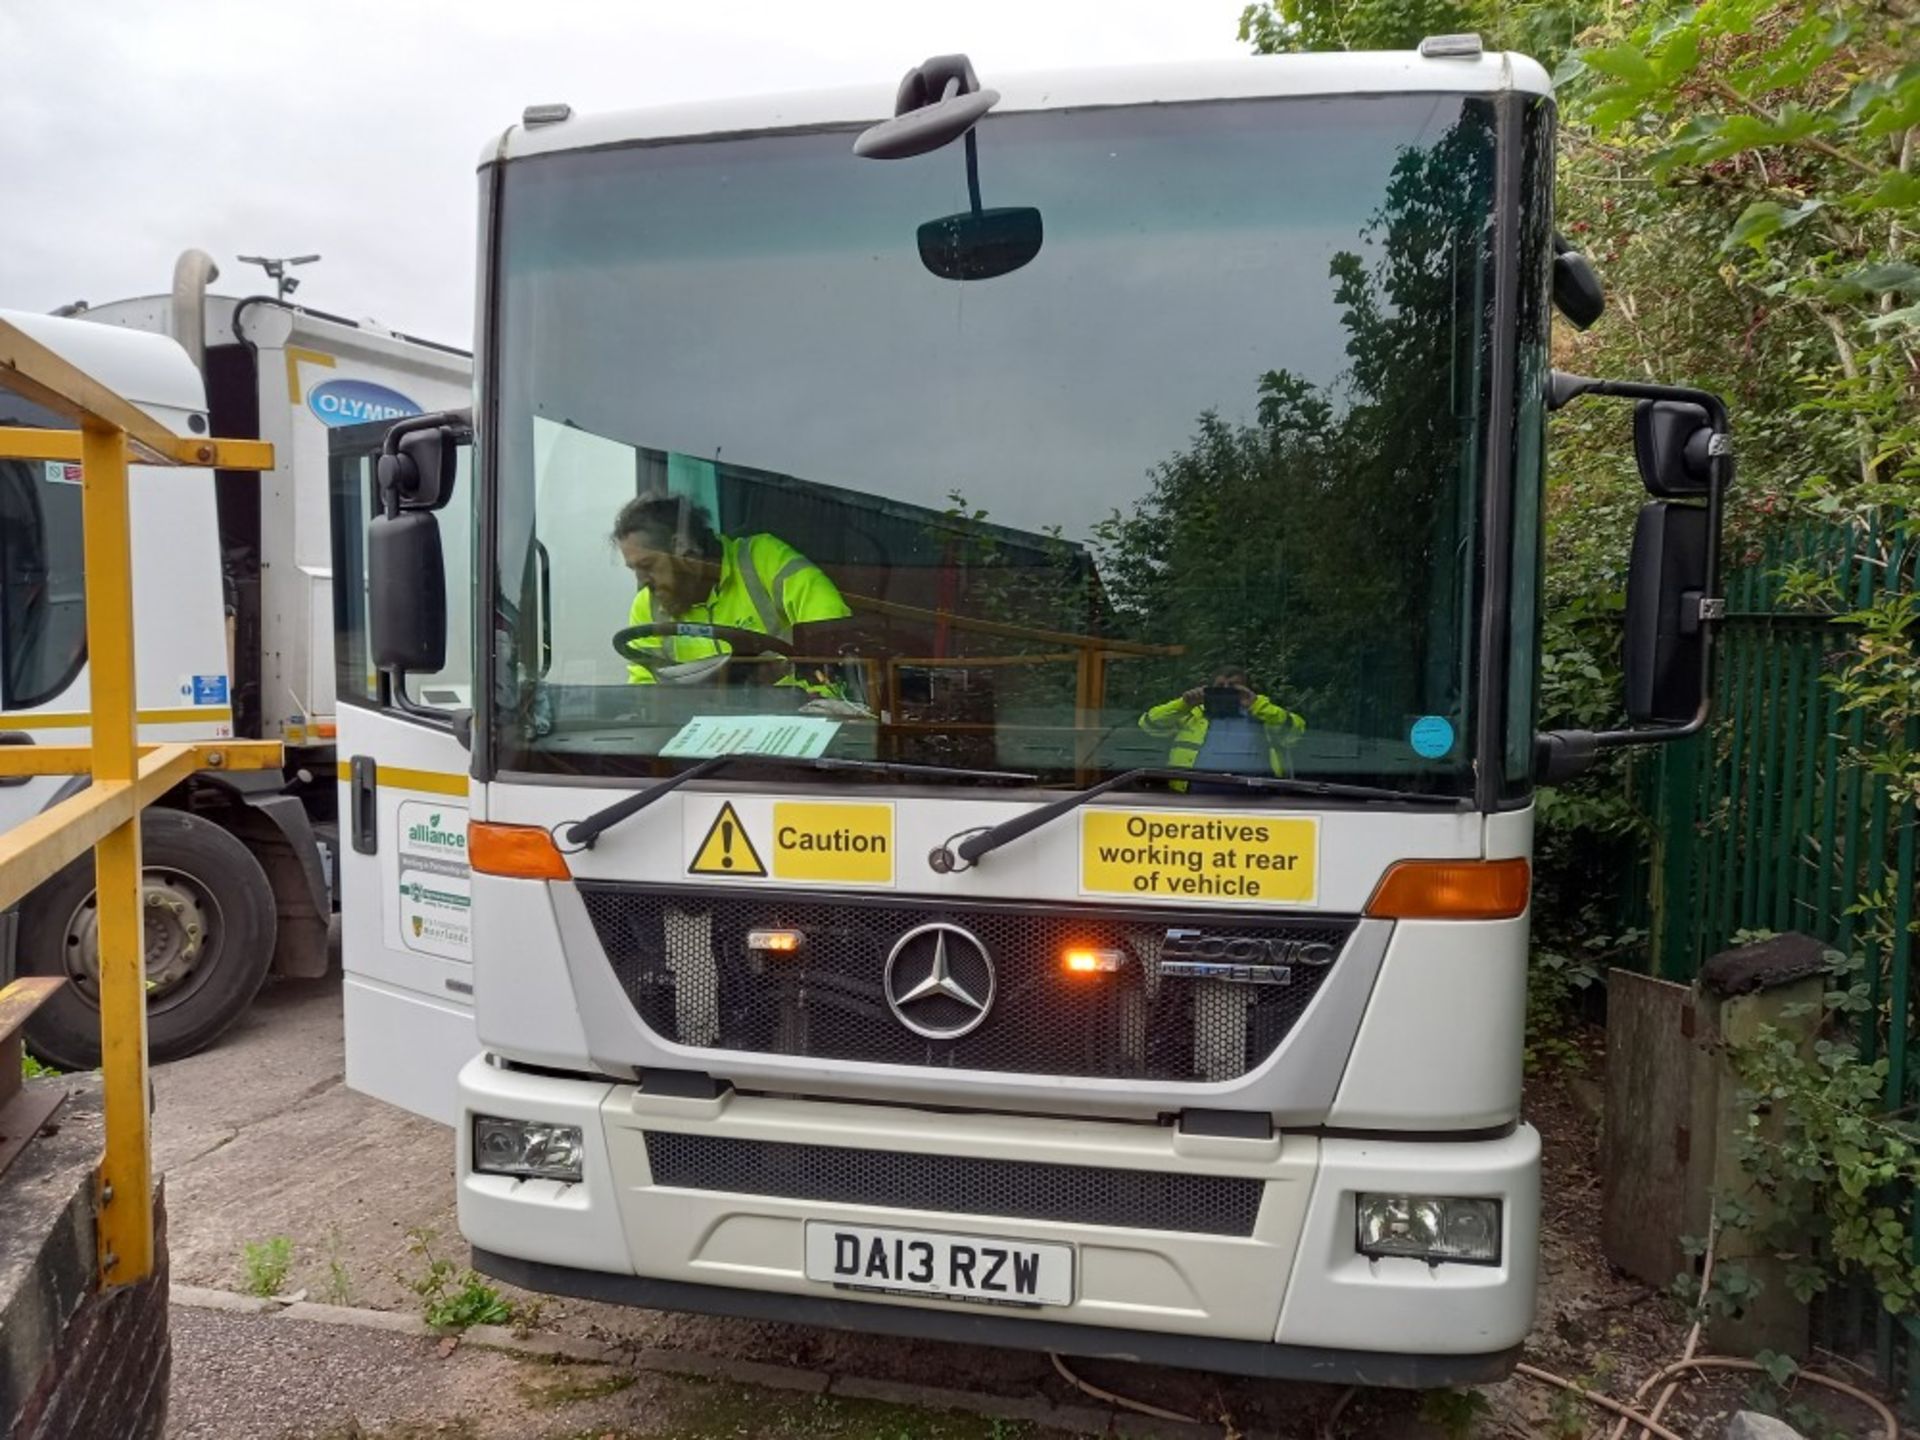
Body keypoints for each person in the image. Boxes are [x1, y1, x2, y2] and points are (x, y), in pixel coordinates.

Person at [613, 495, 852, 689]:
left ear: (685, 552)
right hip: (702, 738)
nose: (642, 582)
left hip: (798, 723)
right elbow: (645, 693)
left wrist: (786, 674)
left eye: (647, 566)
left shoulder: (764, 560)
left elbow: (831, 632)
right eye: (634, 569)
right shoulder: (646, 606)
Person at [1138, 666, 1306, 792]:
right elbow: (1149, 724)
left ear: (1247, 689)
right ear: (1209, 688)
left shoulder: (1262, 713)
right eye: (1220, 686)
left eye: (1234, 687)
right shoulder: (1193, 714)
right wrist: (1183, 704)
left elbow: (1296, 732)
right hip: (1193, 797)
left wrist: (1257, 705)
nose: (1226, 690)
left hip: (1257, 798)